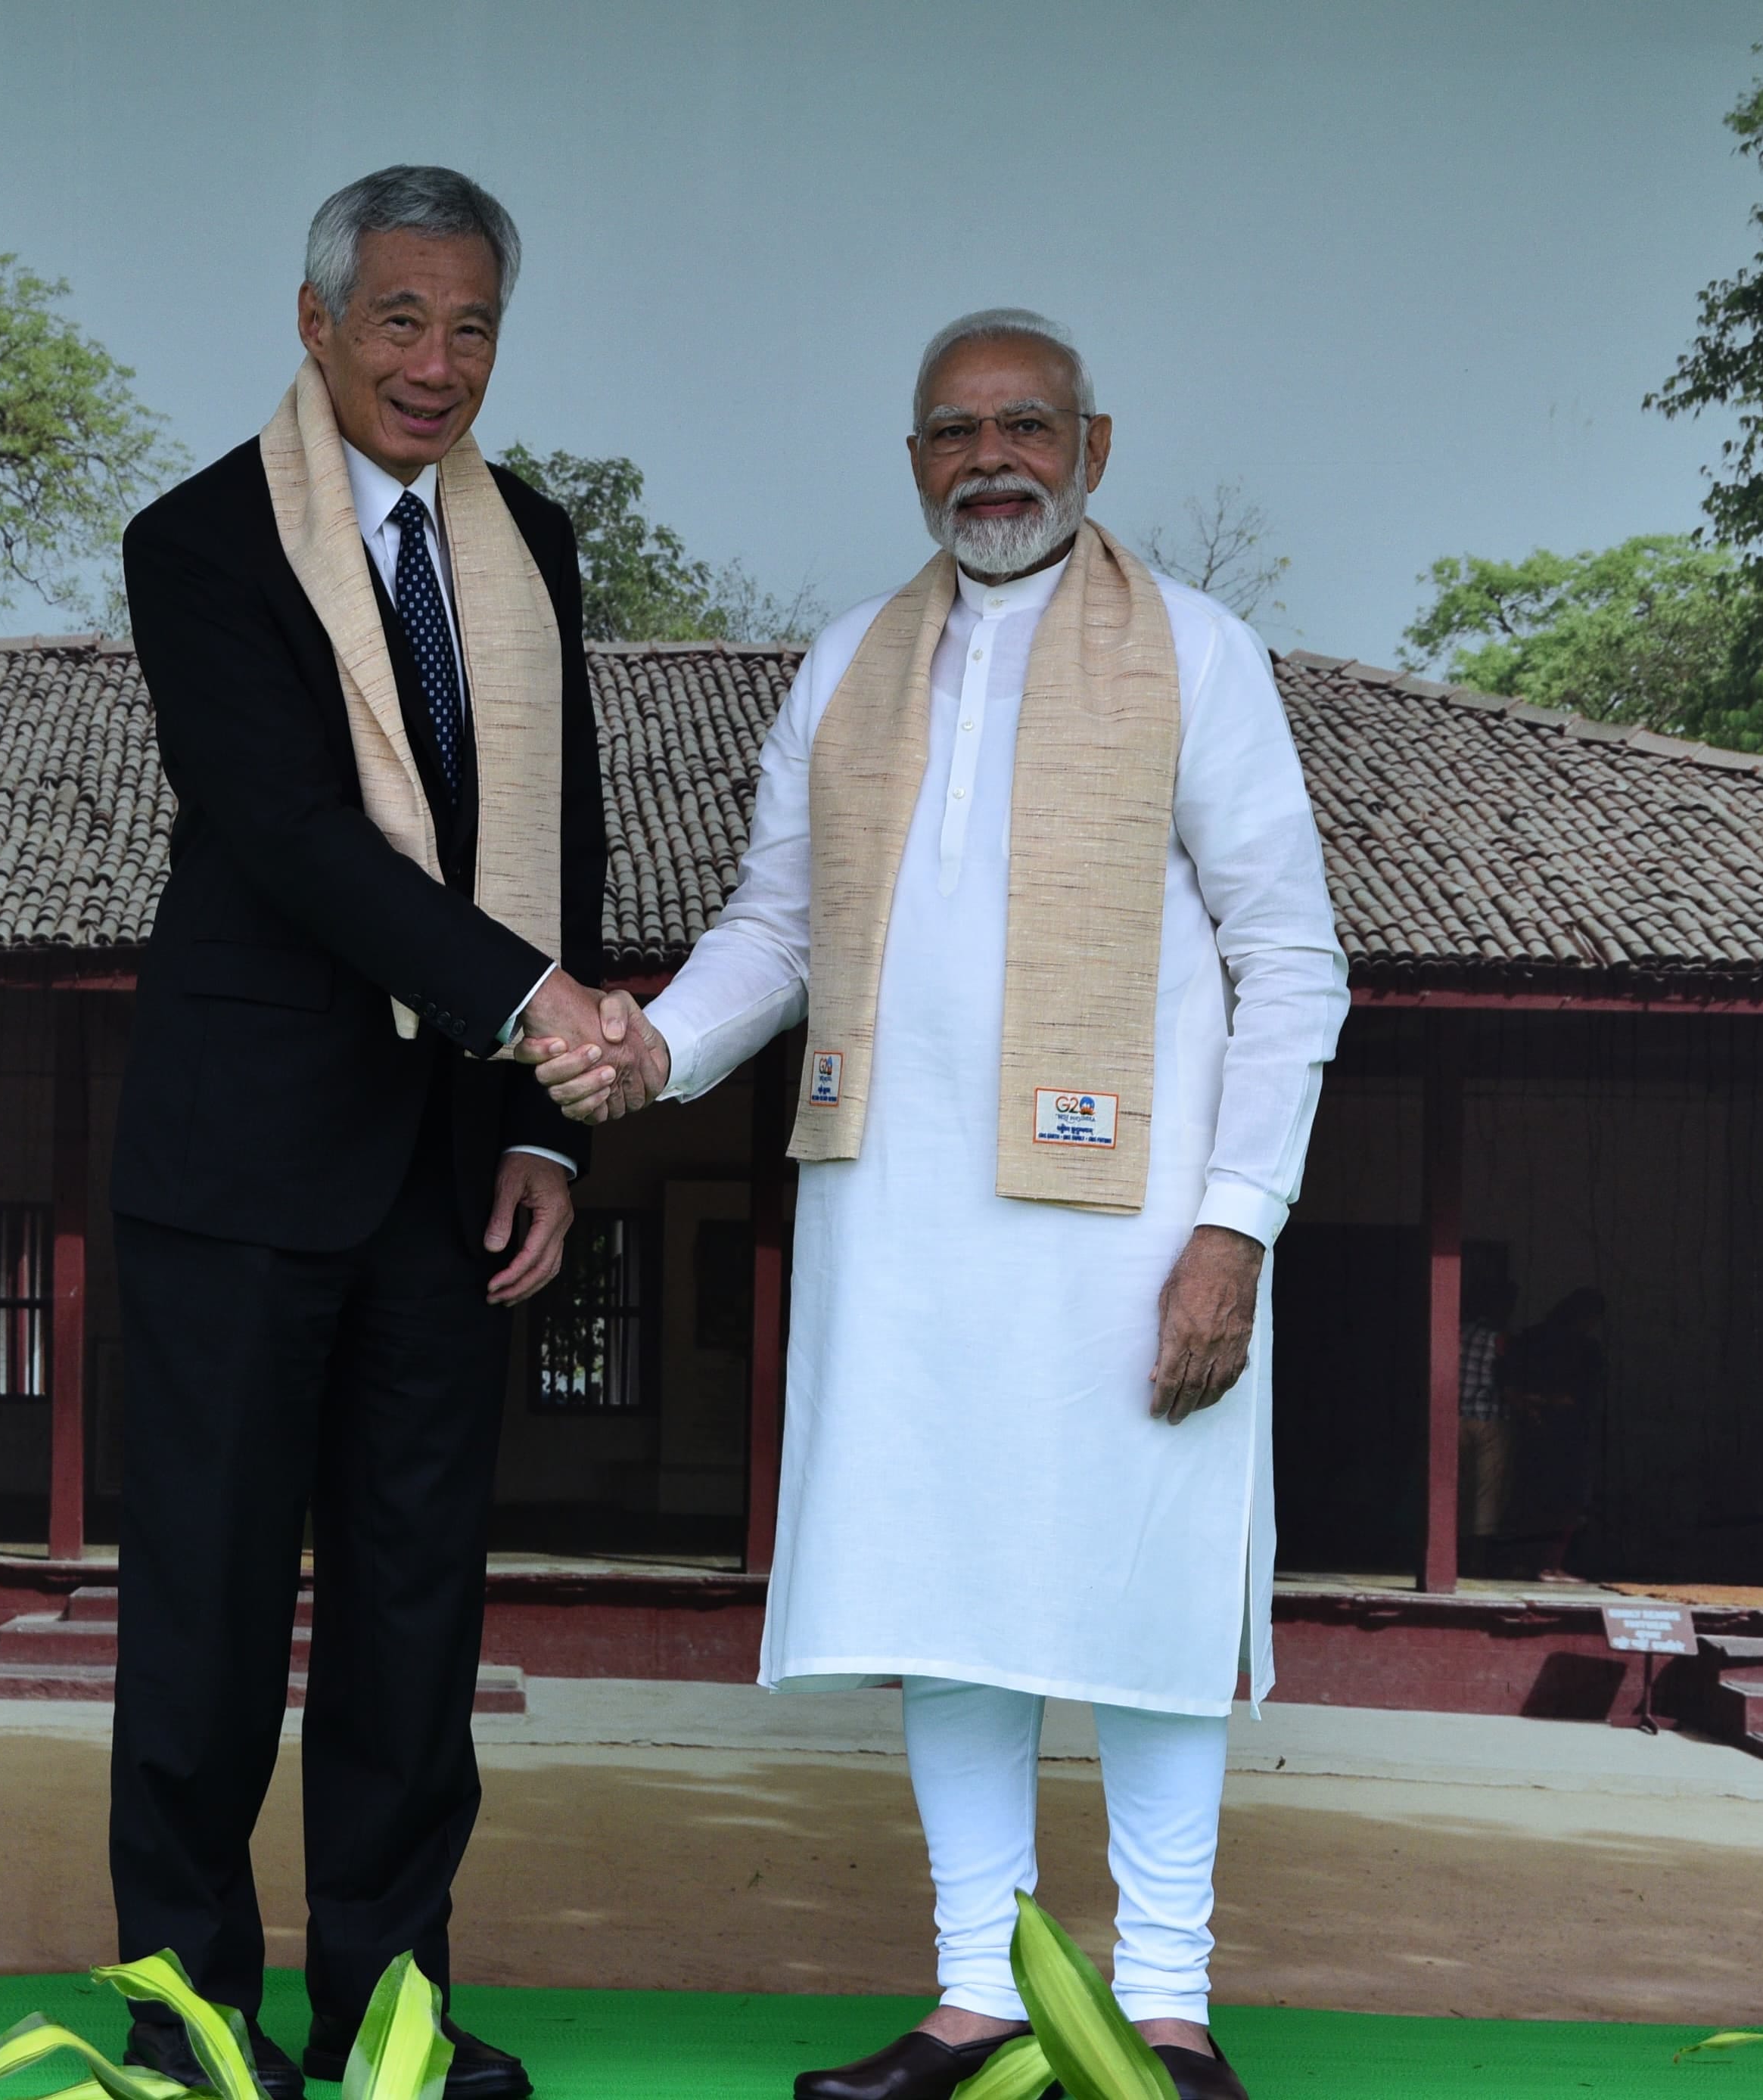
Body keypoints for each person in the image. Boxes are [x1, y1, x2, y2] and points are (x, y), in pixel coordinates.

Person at [535, 309, 1347, 2100]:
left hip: (1141, 1219)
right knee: (953, 1593)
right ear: (914, 461)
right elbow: (777, 929)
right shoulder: (847, 666)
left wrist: (1236, 1221)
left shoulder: (1198, 655)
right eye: (953, 432)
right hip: (904, 1213)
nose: (992, 457)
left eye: (1026, 424)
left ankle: (1165, 2010)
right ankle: (978, 1995)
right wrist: (650, 1049)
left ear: (1094, 443)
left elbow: (1293, 956)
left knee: (1136, 1597)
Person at [107, 165, 619, 2100]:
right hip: (240, 1163)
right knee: (210, 1615)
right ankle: (187, 2014)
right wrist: (538, 1006)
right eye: (398, 319)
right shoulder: (202, 542)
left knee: (416, 1612)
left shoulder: (533, 543)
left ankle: (389, 2005)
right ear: (313, 323)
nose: (435, 362)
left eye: (472, 324)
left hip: (447, 1167)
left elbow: (549, 828)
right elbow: (297, 839)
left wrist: (546, 1127)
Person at [1500, 1288, 1604, 1583]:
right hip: (1567, 1433)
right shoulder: (1585, 1349)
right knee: (1565, 1502)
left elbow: (1509, 1385)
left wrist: (1530, 1404)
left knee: (1527, 1497)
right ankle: (1549, 1565)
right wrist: (1550, 1403)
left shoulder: (1528, 1339)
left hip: (1530, 1426)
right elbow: (1583, 1396)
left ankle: (1519, 1562)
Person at [1458, 1274, 1516, 1561]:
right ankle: (1476, 1558)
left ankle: (1454, 1550)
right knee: (1486, 1492)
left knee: (1459, 1488)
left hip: (1454, 1419)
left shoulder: (1456, 1331)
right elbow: (1505, 1383)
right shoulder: (1499, 1338)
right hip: (1488, 1417)